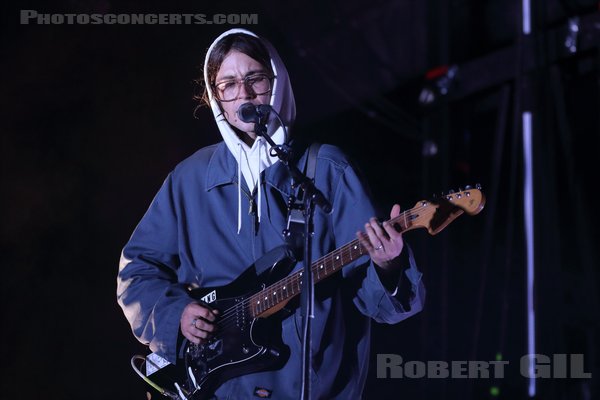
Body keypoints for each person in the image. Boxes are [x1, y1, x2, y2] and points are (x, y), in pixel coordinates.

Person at [117, 28, 425, 399]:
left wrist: (389, 266)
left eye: (255, 80)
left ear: (276, 82)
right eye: (228, 84)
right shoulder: (189, 179)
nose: (243, 94)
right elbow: (136, 272)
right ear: (216, 98)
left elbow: (383, 305)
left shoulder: (327, 170)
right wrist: (176, 315)